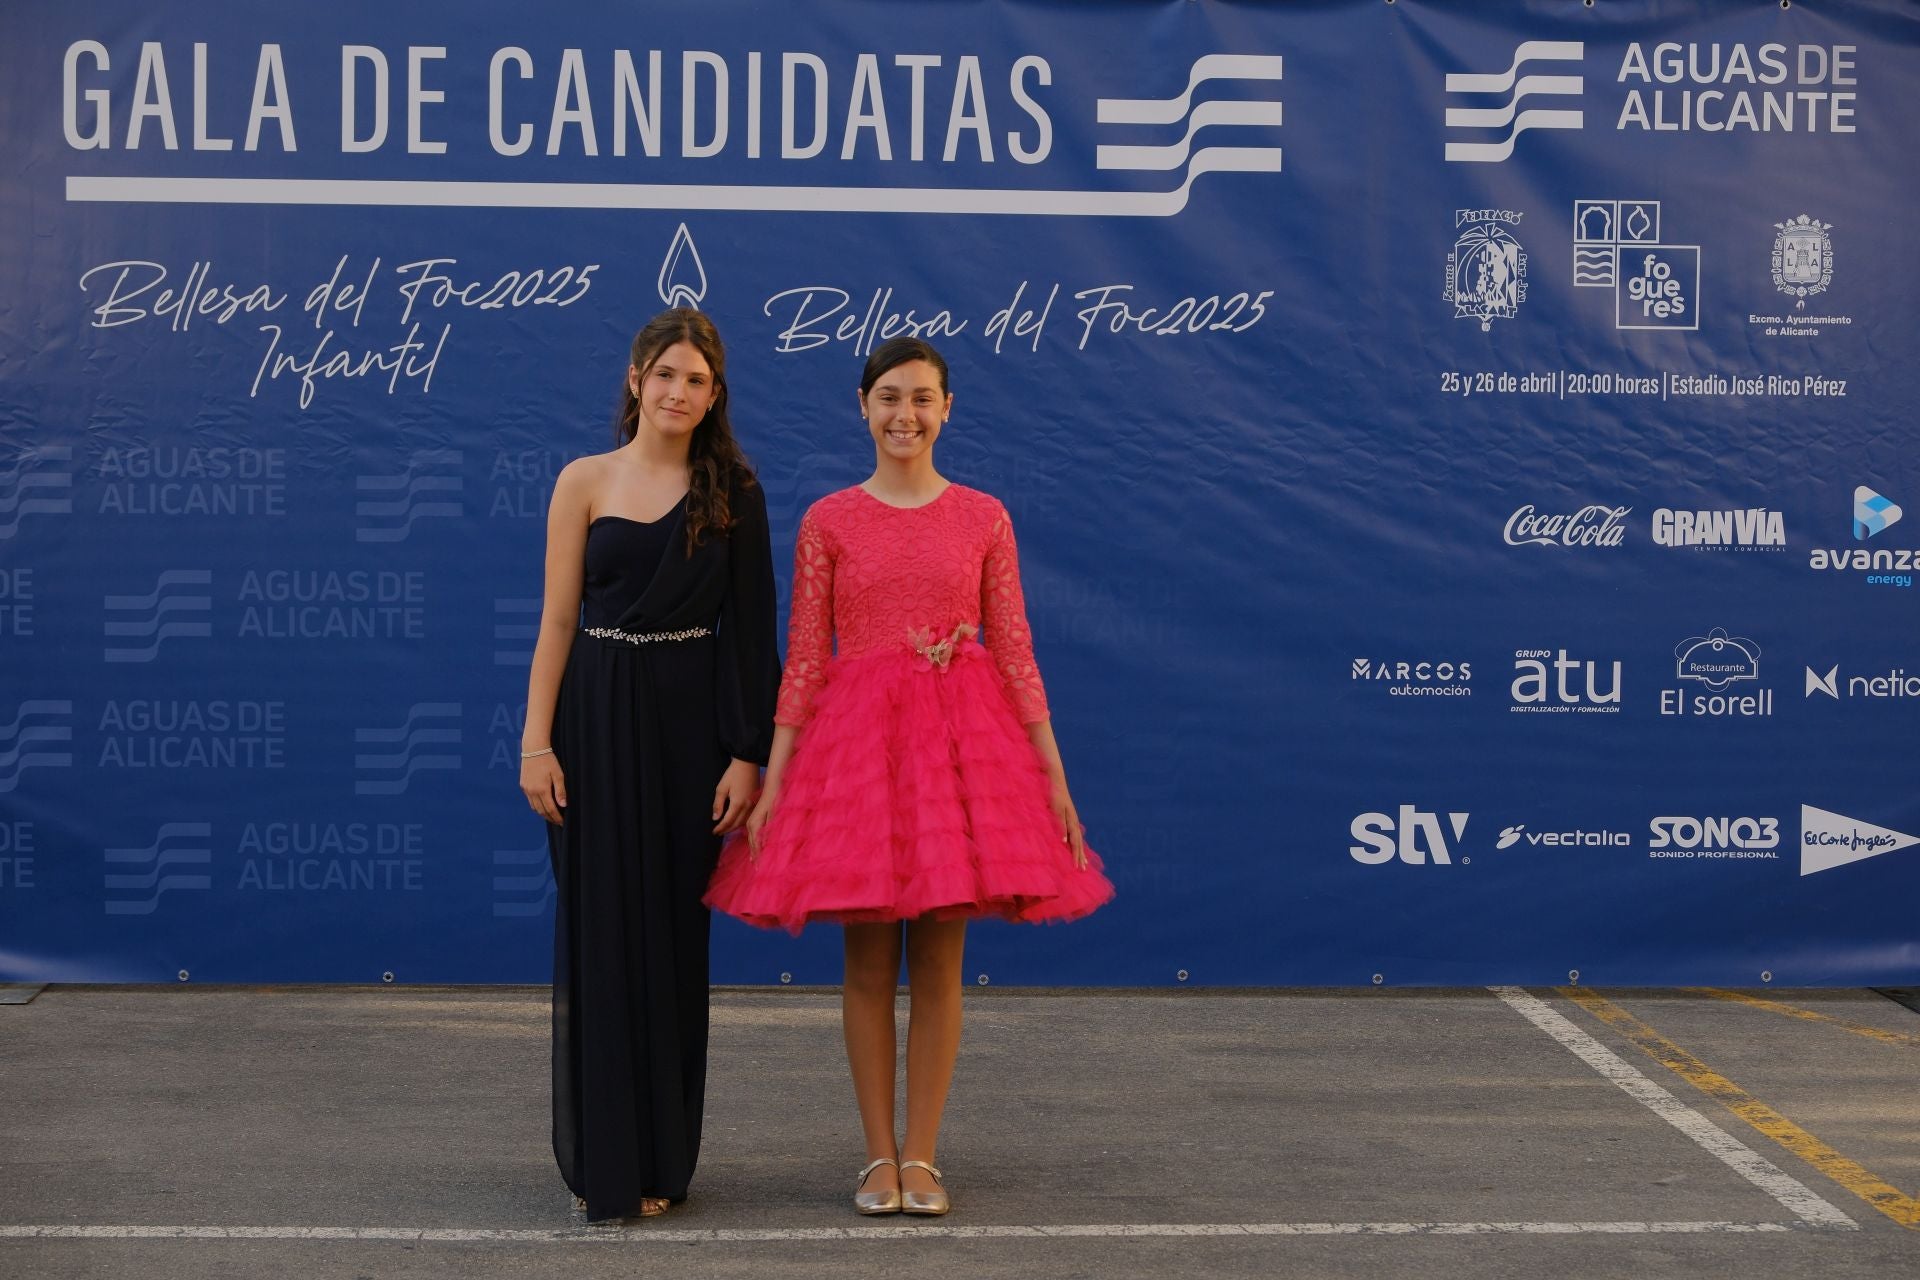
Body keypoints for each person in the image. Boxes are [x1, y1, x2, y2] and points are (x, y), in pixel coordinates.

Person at [703, 336, 1113, 1217]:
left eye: (923, 398)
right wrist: (776, 779)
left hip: (963, 754)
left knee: (938, 959)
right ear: (862, 405)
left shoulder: (984, 516)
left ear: (948, 409)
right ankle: (875, 1159)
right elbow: (806, 658)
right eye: (889, 396)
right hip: (859, 755)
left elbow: (1014, 650)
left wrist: (1052, 774)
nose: (906, 415)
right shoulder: (829, 520)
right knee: (863, 961)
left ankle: (923, 1157)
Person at [519, 309, 778, 1222]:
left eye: (697, 380)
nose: (679, 391)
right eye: (665, 373)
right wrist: (535, 742)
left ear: (715, 395)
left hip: (688, 739)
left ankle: (663, 1158)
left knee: (671, 942)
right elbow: (556, 622)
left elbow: (754, 639)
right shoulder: (582, 481)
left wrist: (749, 756)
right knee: (599, 933)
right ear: (636, 380)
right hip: (591, 722)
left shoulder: (736, 494)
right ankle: (607, 1162)